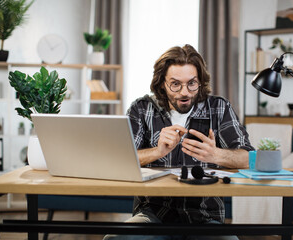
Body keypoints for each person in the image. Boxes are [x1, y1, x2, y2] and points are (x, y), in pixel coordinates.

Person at [104, 44, 254, 240]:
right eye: (175, 84)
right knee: (115, 239)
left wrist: (215, 154)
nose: (185, 92)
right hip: (153, 214)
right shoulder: (142, 109)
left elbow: (249, 158)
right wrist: (157, 151)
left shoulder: (219, 107)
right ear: (161, 84)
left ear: (200, 81)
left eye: (192, 83)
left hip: (205, 217)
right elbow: (119, 159)